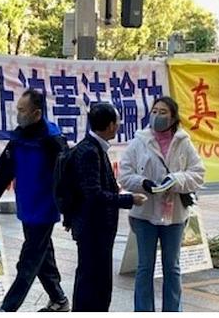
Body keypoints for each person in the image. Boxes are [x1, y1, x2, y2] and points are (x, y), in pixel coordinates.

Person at [0, 90, 70, 312]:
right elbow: (4, 170)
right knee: (43, 254)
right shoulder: (19, 137)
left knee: (28, 259)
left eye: (22, 110)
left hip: (45, 207)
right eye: (18, 109)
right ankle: (59, 300)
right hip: (26, 204)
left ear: (37, 113)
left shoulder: (52, 139)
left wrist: (70, 208)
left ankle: (8, 308)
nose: (18, 114)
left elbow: (67, 174)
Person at [119, 97, 205, 312]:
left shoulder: (183, 142)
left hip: (175, 215)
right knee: (145, 267)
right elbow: (124, 174)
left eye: (163, 112)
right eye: (155, 111)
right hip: (144, 215)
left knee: (172, 267)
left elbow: (198, 173)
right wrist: (143, 183)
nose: (157, 115)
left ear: (173, 117)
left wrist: (177, 179)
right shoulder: (140, 140)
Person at [66, 103, 147, 311]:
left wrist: (113, 187)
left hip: (95, 227)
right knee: (93, 280)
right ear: (111, 125)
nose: (118, 126)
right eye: (117, 122)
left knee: (95, 277)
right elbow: (94, 195)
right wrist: (129, 200)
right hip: (93, 228)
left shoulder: (94, 148)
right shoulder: (89, 152)